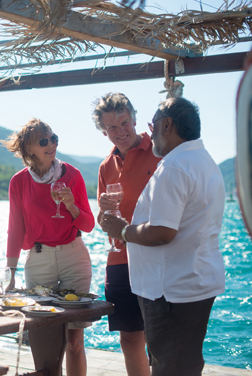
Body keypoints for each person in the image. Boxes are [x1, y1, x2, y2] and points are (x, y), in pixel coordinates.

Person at [101, 97, 226, 376]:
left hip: (171, 291)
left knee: (168, 367)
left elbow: (162, 232)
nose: (151, 131)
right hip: (194, 283)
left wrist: (120, 230)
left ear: (167, 125)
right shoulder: (204, 161)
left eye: (153, 125)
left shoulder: (174, 166)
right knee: (186, 364)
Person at [2, 118, 95, 376]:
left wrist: (71, 207)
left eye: (54, 139)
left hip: (73, 257)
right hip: (38, 260)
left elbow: (88, 225)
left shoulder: (73, 175)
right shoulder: (19, 182)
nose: (51, 145)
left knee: (74, 341)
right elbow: (15, 229)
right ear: (29, 149)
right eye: (44, 141)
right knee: (43, 341)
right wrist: (10, 272)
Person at [92, 92, 161, 376]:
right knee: (130, 339)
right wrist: (104, 212)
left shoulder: (159, 150)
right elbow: (102, 220)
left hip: (157, 258)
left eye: (124, 123)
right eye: (111, 127)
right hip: (120, 262)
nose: (119, 131)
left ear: (134, 119)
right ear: (104, 130)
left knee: (159, 341)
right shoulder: (105, 165)